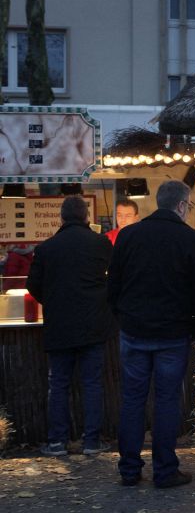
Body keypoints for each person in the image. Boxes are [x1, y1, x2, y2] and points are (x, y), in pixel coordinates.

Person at [108, 180, 195, 488]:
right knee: (167, 401)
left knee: (132, 400)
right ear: (181, 205)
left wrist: (123, 318)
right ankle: (165, 470)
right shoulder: (192, 239)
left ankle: (129, 470)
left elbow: (113, 285)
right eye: (189, 205)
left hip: (134, 330)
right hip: (173, 334)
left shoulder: (128, 236)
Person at [26, 196, 113, 457]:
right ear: (87, 216)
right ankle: (91, 442)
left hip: (59, 325)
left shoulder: (46, 248)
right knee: (92, 384)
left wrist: (53, 302)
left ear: (61, 218)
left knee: (58, 384)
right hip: (93, 324)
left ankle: (57, 442)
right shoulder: (101, 244)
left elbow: (33, 285)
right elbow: (116, 278)